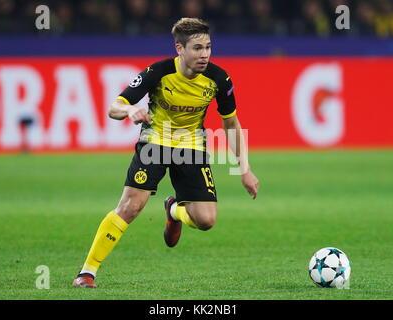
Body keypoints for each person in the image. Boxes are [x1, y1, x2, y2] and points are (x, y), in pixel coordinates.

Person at [72, 17, 259, 288]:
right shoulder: (157, 72)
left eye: (207, 47)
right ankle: (87, 272)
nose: (204, 54)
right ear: (179, 49)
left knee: (206, 220)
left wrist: (245, 169)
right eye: (197, 48)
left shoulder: (219, 78)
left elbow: (230, 123)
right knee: (131, 207)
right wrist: (129, 110)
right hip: (155, 142)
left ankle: (174, 212)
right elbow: (114, 107)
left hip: (191, 146)